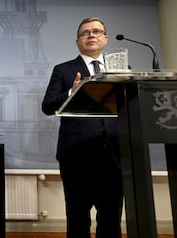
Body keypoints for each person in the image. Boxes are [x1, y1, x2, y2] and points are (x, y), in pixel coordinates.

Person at [41, 17, 123, 238]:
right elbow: (47, 106)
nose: (91, 35)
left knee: (111, 219)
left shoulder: (122, 70)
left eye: (97, 31)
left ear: (105, 38)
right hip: (77, 155)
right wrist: (72, 92)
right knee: (78, 220)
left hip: (115, 155)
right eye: (85, 32)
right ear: (78, 41)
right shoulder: (63, 70)